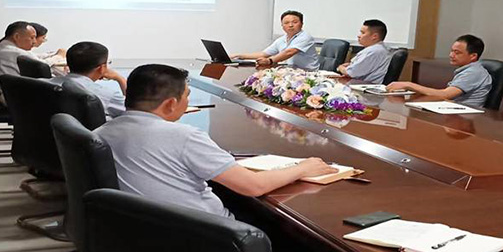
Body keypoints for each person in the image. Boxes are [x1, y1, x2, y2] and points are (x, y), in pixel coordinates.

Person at [94, 64, 337, 218]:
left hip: (148, 229)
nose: (187, 102)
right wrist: (302, 167)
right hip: (208, 236)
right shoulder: (184, 137)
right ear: (170, 104)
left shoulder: (102, 131)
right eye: (187, 96)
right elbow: (253, 186)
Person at [386, 34, 492, 108]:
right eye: (451, 51)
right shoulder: (468, 69)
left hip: (465, 116)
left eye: (457, 52)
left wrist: (408, 84)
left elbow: (446, 95)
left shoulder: (473, 72)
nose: (451, 55)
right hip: (453, 110)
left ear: (473, 56)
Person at [52, 41, 127, 120]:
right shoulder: (108, 95)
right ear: (102, 68)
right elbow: (134, 112)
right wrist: (120, 79)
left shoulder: (50, 83)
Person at [231, 10, 320, 71]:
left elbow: (289, 52)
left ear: (302, 24)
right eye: (286, 23)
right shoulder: (281, 39)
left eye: (295, 22)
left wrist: (270, 60)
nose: (290, 25)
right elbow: (263, 54)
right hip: (291, 71)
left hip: (308, 74)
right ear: (282, 26)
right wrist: (239, 55)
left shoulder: (305, 37)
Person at [0, 21, 64, 81]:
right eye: (32, 37)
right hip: (13, 93)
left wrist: (53, 54)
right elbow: (42, 66)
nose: (34, 42)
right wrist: (58, 56)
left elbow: (34, 56)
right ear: (17, 36)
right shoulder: (18, 53)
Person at [336, 19, 392, 83]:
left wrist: (340, 67)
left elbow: (350, 72)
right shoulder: (380, 49)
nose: (359, 36)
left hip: (365, 86)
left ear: (374, 36)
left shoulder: (373, 51)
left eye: (363, 33)